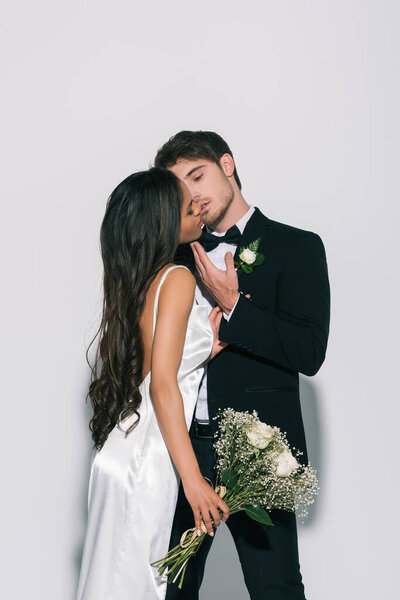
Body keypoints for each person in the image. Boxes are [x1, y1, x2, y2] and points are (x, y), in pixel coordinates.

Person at [154, 130, 331, 600]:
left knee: (276, 589)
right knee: (169, 587)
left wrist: (234, 304)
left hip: (260, 451)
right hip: (182, 453)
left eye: (198, 174)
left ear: (227, 165)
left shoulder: (298, 247)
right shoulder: (170, 258)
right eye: (180, 187)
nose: (192, 194)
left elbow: (309, 351)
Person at [76, 167, 230, 600]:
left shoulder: (145, 282)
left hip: (122, 448)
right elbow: (163, 384)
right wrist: (194, 479)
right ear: (164, 222)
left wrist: (206, 347)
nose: (199, 207)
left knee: (110, 583)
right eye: (188, 206)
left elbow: (164, 364)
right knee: (135, 586)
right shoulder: (177, 278)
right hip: (149, 456)